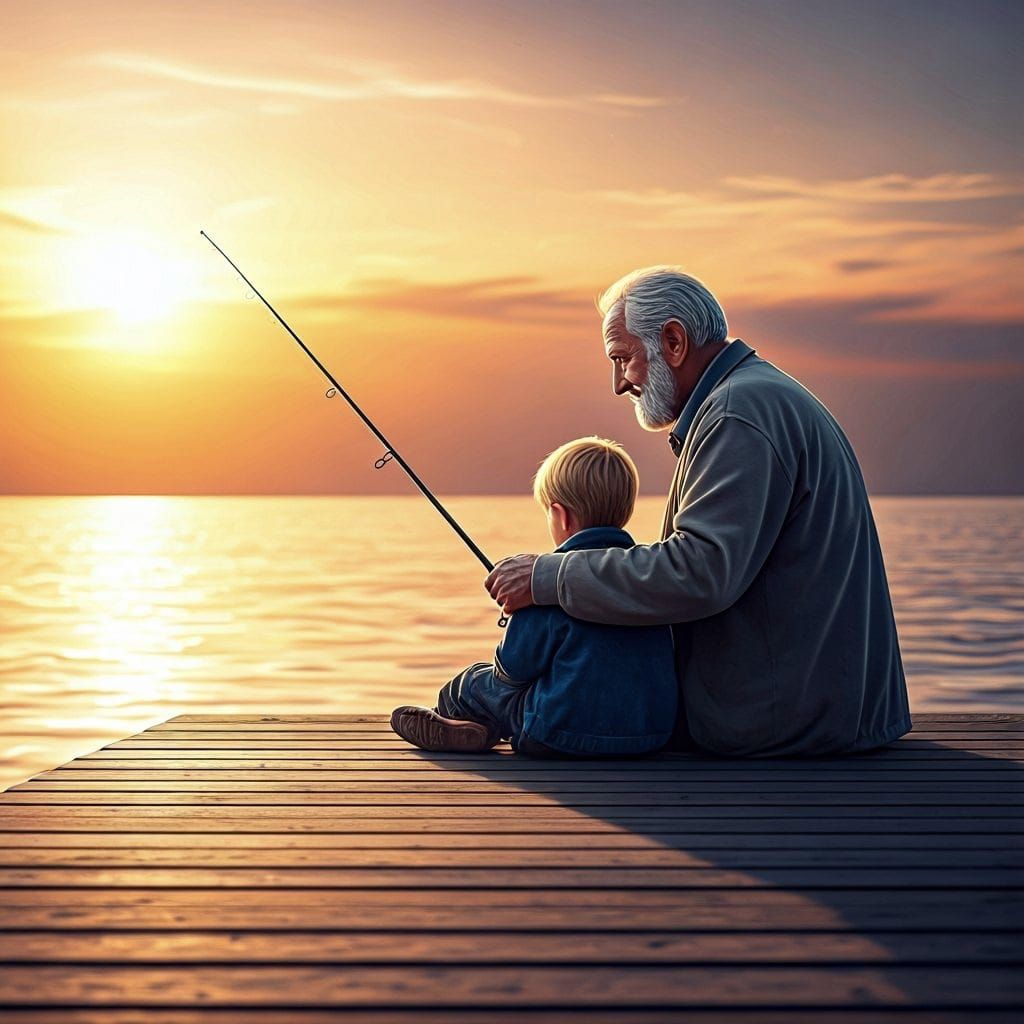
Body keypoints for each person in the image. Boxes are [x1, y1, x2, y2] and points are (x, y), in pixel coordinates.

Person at [484, 267, 912, 757]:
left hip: (784, 722)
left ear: (673, 341)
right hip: (816, 708)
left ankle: (489, 708)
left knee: (527, 687)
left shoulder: (738, 413)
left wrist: (547, 577)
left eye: (623, 359)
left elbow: (700, 572)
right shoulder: (753, 396)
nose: (619, 385)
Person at [391, 437, 677, 756]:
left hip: (558, 733)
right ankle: (478, 727)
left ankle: (462, 721)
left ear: (561, 516)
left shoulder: (544, 585)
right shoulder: (646, 579)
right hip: (647, 734)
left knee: (473, 682)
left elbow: (512, 671)